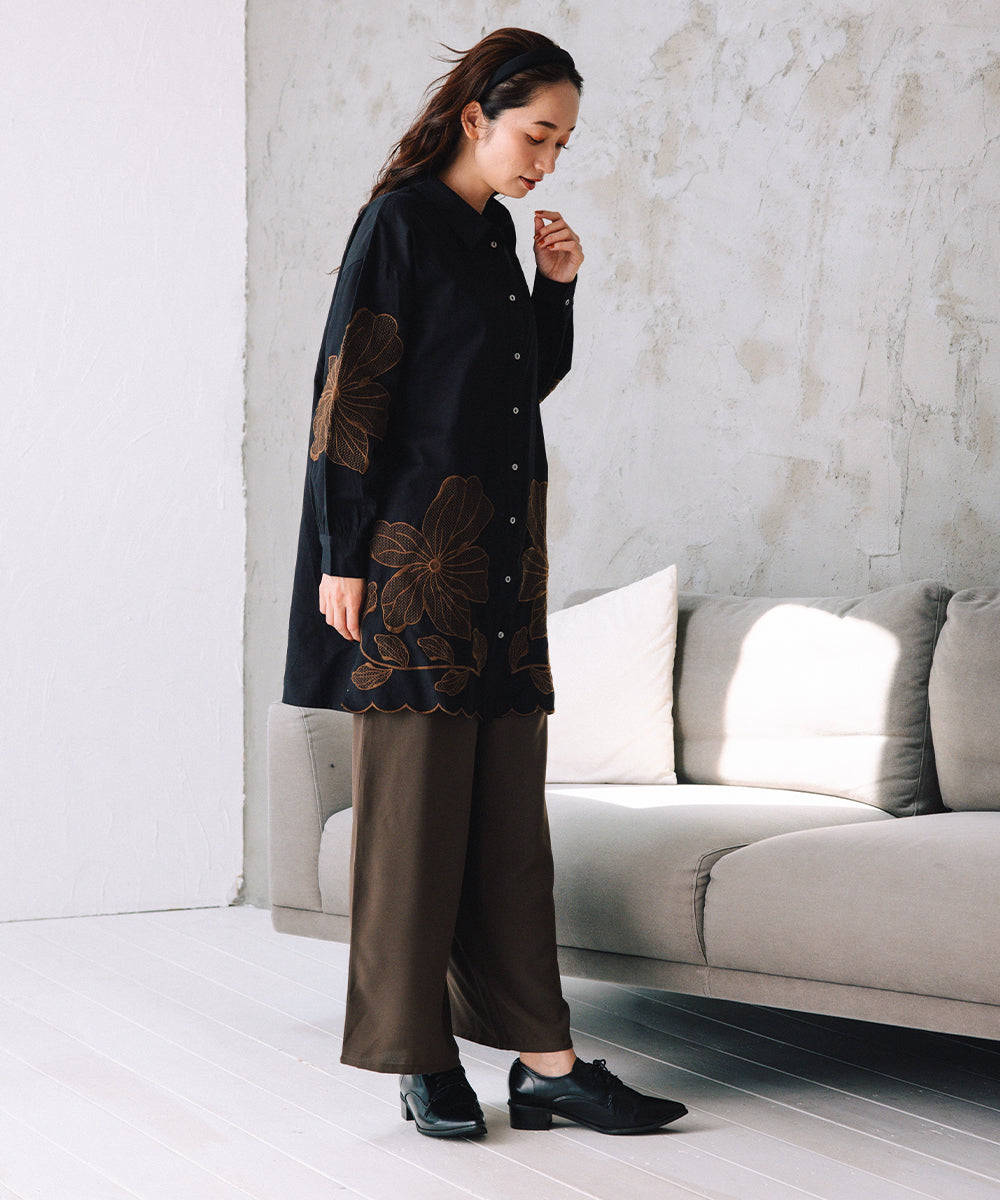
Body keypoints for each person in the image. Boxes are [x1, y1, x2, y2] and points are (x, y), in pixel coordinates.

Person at [282, 26, 688, 1139]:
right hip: (411, 569)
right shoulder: (401, 223)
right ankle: (420, 1058)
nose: (546, 161)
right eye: (535, 135)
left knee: (508, 832)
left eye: (561, 144)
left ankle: (545, 1063)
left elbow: (511, 387)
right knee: (413, 830)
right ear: (477, 117)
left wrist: (554, 290)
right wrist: (340, 555)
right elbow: (350, 396)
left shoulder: (497, 233)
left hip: (504, 574)